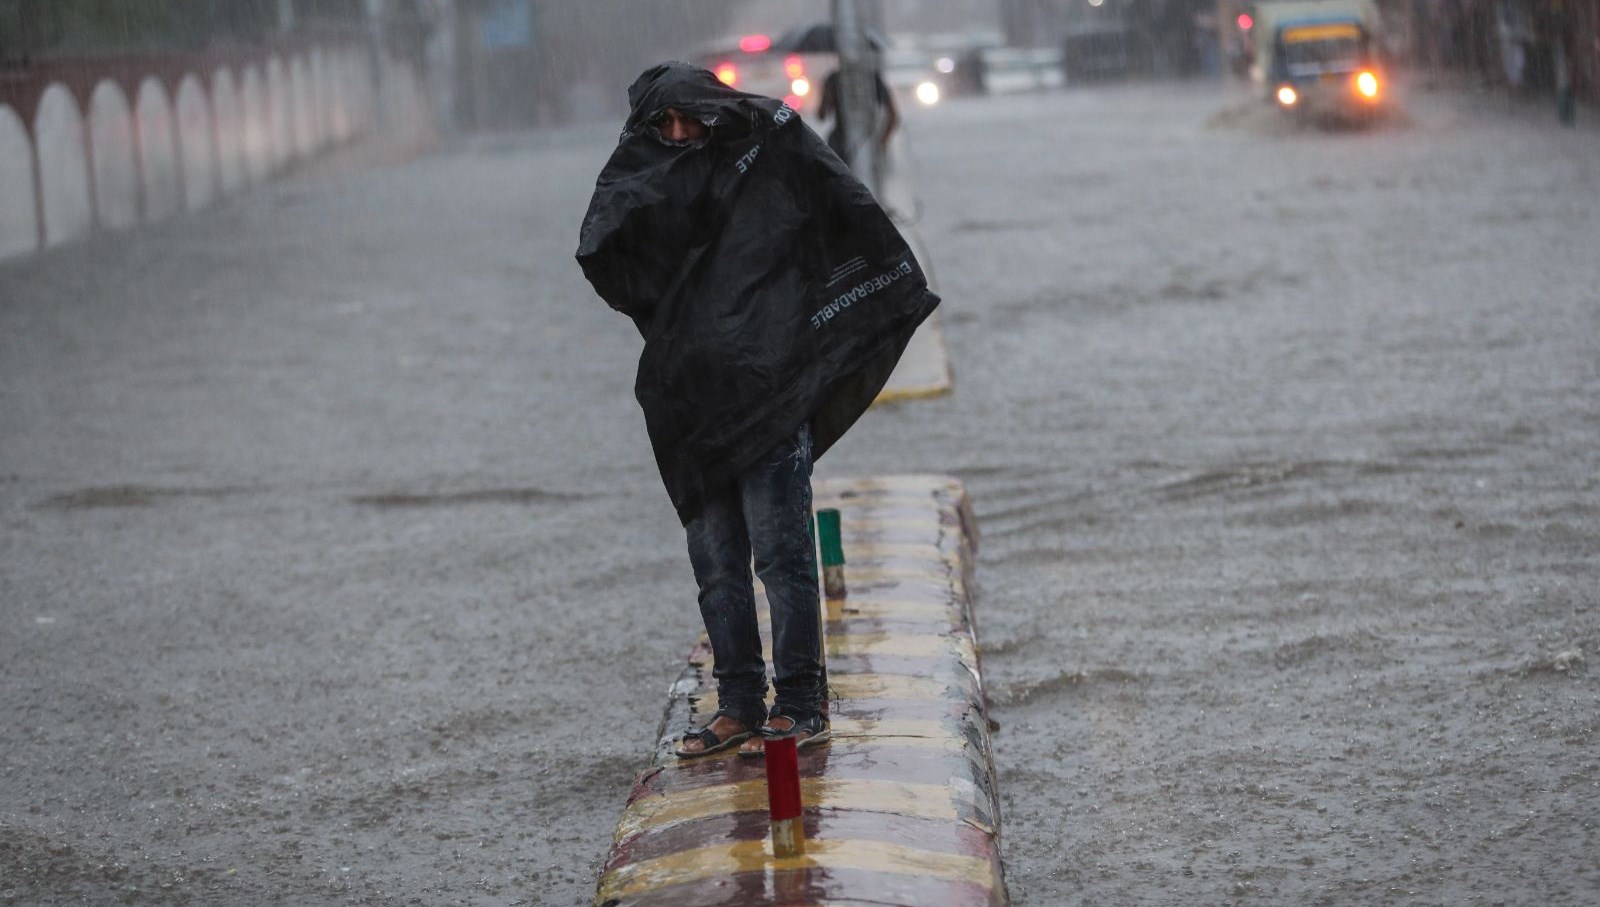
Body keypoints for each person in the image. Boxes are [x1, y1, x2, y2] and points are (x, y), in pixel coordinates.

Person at [575, 62, 938, 758]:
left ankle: (802, 702)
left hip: (771, 390)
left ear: (714, 113)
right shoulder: (643, 179)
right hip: (690, 403)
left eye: (690, 120)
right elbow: (608, 257)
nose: (679, 134)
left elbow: (842, 208)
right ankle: (737, 703)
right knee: (716, 566)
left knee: (782, 557)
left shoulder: (769, 150)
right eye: (665, 124)